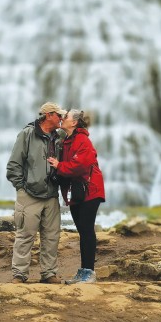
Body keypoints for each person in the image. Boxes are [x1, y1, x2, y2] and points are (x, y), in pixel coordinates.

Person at [6, 102, 66, 284]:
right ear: (48, 115)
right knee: (25, 235)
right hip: (29, 195)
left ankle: (49, 273)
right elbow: (13, 164)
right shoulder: (27, 134)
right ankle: (19, 274)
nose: (61, 119)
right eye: (58, 115)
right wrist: (21, 188)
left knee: (52, 236)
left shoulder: (59, 136)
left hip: (51, 195)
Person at [48, 109, 105, 284]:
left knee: (87, 230)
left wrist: (59, 165)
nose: (62, 118)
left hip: (90, 191)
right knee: (83, 231)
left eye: (65, 117)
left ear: (74, 123)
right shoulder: (66, 140)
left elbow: (80, 165)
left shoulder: (82, 140)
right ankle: (83, 271)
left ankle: (89, 273)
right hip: (78, 192)